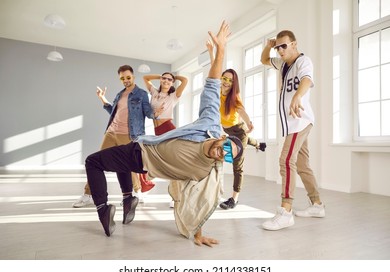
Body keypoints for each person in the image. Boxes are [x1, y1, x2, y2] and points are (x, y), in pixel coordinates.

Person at [85, 20, 239, 246]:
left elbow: (202, 201)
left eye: (227, 157)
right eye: (225, 148)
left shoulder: (208, 170)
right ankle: (128, 199)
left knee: (92, 161)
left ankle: (102, 209)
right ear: (222, 137)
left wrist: (198, 233)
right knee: (118, 162)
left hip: (143, 156)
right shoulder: (210, 123)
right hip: (144, 146)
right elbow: (213, 86)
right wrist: (221, 50)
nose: (221, 154)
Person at [260, 30, 325, 230]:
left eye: (284, 46)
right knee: (303, 165)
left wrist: (297, 96)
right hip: (292, 122)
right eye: (278, 47)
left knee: (287, 161)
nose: (280, 50)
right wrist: (269, 45)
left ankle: (286, 211)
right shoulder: (282, 64)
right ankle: (317, 205)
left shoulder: (303, 62)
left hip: (300, 119)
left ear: (294, 44)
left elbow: (306, 80)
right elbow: (264, 60)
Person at [72, 65, 160, 208]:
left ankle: (136, 193)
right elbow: (113, 111)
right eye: (122, 78)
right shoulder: (120, 94)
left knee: (129, 165)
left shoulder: (141, 94)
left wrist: (156, 112)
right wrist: (102, 99)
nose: (125, 80)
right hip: (111, 133)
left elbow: (149, 113)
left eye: (128, 77)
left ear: (133, 76)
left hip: (129, 134)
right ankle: (87, 195)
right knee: (95, 162)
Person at [206, 40, 266, 210]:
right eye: (224, 78)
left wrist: (249, 122)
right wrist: (212, 51)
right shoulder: (217, 90)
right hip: (226, 131)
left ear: (234, 84)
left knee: (236, 165)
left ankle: (234, 199)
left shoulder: (235, 98)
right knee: (250, 143)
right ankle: (259, 144)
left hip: (239, 132)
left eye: (229, 80)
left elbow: (242, 112)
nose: (225, 82)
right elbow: (214, 65)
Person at [142, 72, 188, 207]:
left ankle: (176, 197)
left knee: (172, 164)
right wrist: (161, 77)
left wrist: (173, 77)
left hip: (168, 129)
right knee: (153, 160)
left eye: (169, 80)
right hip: (157, 131)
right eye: (164, 78)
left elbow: (185, 80)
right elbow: (145, 78)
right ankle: (144, 188)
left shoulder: (173, 96)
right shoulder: (154, 92)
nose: (166, 81)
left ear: (173, 82)